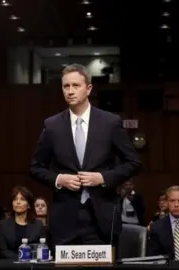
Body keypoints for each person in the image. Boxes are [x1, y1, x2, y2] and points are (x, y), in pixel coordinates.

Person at [30, 64, 141, 247]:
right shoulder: (52, 126)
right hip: (65, 220)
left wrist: (103, 177)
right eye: (66, 86)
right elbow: (35, 167)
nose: (70, 91)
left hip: (102, 219)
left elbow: (134, 162)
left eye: (76, 85)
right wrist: (59, 179)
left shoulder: (110, 122)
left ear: (88, 89)